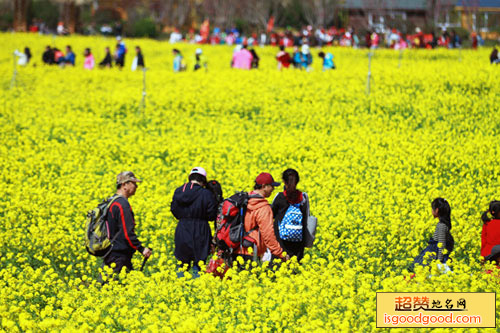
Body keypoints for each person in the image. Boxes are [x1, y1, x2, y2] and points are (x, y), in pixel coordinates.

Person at [233, 173, 288, 266]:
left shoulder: (243, 200)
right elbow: (268, 234)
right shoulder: (263, 207)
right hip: (251, 251)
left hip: (235, 248)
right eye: (272, 186)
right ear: (264, 186)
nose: (273, 189)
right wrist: (280, 253)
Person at [171, 167, 217, 277]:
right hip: (201, 230)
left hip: (182, 229)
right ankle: (197, 289)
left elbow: (174, 210)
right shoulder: (206, 194)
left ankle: (179, 287)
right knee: (199, 263)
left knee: (181, 263)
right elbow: (211, 215)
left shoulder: (178, 191)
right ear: (203, 180)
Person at [104, 171, 152, 274]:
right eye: (134, 183)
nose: (136, 186)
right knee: (117, 285)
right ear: (124, 185)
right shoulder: (122, 205)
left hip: (110, 253)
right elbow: (127, 233)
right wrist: (141, 249)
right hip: (119, 256)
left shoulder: (111, 201)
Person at [271, 169, 308, 262]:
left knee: (279, 267)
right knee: (295, 269)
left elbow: (271, 216)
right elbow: (306, 219)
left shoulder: (279, 197)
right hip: (298, 240)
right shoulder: (303, 198)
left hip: (281, 240)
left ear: (283, 181)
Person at [413, 198, 454, 270]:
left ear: (437, 210)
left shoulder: (441, 226)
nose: (431, 211)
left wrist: (439, 262)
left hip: (435, 256)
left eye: (432, 209)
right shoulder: (443, 225)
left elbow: (441, 245)